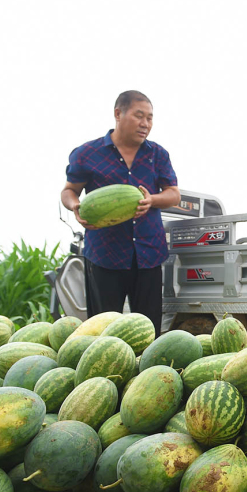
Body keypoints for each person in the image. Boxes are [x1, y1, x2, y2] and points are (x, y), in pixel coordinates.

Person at [61, 90, 181, 336]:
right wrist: (75, 206)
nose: (145, 124)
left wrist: (152, 199)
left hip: (148, 254)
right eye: (139, 116)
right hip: (106, 254)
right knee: (103, 332)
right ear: (118, 113)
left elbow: (173, 194)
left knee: (147, 332)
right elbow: (68, 191)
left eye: (149, 118)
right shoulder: (86, 153)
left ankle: (145, 374)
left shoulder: (157, 154)